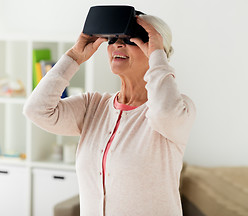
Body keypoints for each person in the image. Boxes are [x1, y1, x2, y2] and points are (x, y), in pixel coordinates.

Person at [23, 14, 196, 216]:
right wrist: (74, 57)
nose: (118, 45)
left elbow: (164, 112)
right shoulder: (93, 106)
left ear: (156, 51)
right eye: (113, 39)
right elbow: (36, 110)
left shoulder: (180, 108)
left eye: (131, 40)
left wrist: (158, 55)